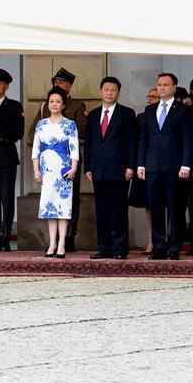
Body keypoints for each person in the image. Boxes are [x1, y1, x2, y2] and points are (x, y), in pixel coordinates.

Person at [28, 68, 88, 251]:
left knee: (66, 203)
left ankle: (66, 240)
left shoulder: (75, 110)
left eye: (61, 82)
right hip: (47, 167)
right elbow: (34, 140)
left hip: (65, 165)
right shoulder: (42, 120)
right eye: (51, 101)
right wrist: (37, 168)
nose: (54, 104)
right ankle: (52, 242)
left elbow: (77, 140)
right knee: (49, 204)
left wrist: (74, 166)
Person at [138, 73, 193, 260]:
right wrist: (141, 164)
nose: (161, 88)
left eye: (166, 84)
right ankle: (159, 246)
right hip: (153, 166)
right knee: (155, 208)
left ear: (174, 87)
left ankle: (175, 246)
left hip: (174, 167)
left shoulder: (182, 110)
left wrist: (186, 164)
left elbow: (187, 140)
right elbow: (144, 139)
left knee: (175, 208)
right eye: (159, 84)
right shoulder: (149, 110)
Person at [84, 76, 136, 260]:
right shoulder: (92, 115)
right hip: (98, 169)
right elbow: (89, 142)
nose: (109, 93)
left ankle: (120, 248)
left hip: (119, 169)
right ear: (101, 91)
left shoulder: (127, 114)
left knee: (118, 210)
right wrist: (87, 166)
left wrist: (131, 166)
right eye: (106, 89)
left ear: (118, 92)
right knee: (102, 210)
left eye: (113, 90)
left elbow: (132, 142)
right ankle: (104, 247)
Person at [0, 68, 24, 252]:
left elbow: (18, 132)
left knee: (6, 198)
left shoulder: (14, 106)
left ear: (7, 86)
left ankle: (5, 235)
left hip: (6, 154)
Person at [128, 87, 159, 254]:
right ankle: (151, 241)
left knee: (166, 205)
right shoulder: (141, 117)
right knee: (148, 205)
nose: (150, 99)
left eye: (154, 96)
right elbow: (137, 142)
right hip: (145, 166)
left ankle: (166, 239)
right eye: (149, 96)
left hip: (165, 166)